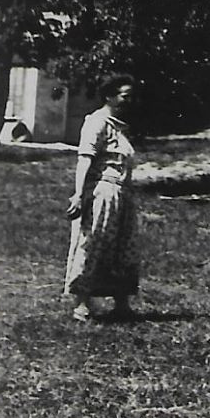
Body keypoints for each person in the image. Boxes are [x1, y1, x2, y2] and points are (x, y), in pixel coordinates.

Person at [63, 73, 141, 322]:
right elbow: (85, 158)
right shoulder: (96, 122)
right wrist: (78, 194)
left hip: (123, 193)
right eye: (125, 96)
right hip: (103, 192)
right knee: (94, 244)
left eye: (131, 97)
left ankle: (121, 302)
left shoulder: (120, 126)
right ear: (110, 96)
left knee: (123, 247)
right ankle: (82, 303)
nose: (129, 101)